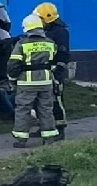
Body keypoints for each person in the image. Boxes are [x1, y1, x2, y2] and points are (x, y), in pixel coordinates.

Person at [6, 14, 59, 148]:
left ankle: (21, 139)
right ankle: (49, 138)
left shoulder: (22, 44)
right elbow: (53, 63)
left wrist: (12, 80)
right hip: (46, 82)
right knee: (46, 109)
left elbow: (13, 65)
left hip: (27, 83)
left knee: (23, 110)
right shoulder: (50, 43)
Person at [34, 2, 70, 141]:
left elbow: (63, 54)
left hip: (54, 72)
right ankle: (45, 128)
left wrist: (58, 70)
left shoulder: (60, 33)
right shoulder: (45, 31)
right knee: (41, 101)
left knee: (55, 101)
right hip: (42, 71)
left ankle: (59, 129)